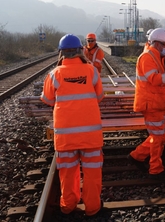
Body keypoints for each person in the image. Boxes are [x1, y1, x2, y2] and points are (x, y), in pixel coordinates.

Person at [40, 34, 105, 216]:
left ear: (61, 53)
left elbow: (47, 99)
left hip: (66, 136)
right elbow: (99, 96)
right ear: (80, 51)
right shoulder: (91, 71)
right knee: (92, 173)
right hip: (91, 135)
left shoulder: (54, 74)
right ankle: (93, 208)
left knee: (68, 173)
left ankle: (68, 206)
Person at [128, 28, 165, 180]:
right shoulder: (146, 58)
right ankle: (155, 169)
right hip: (151, 104)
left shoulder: (158, 58)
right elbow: (155, 80)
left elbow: (164, 83)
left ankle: (137, 155)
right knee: (158, 136)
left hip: (159, 103)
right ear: (157, 43)